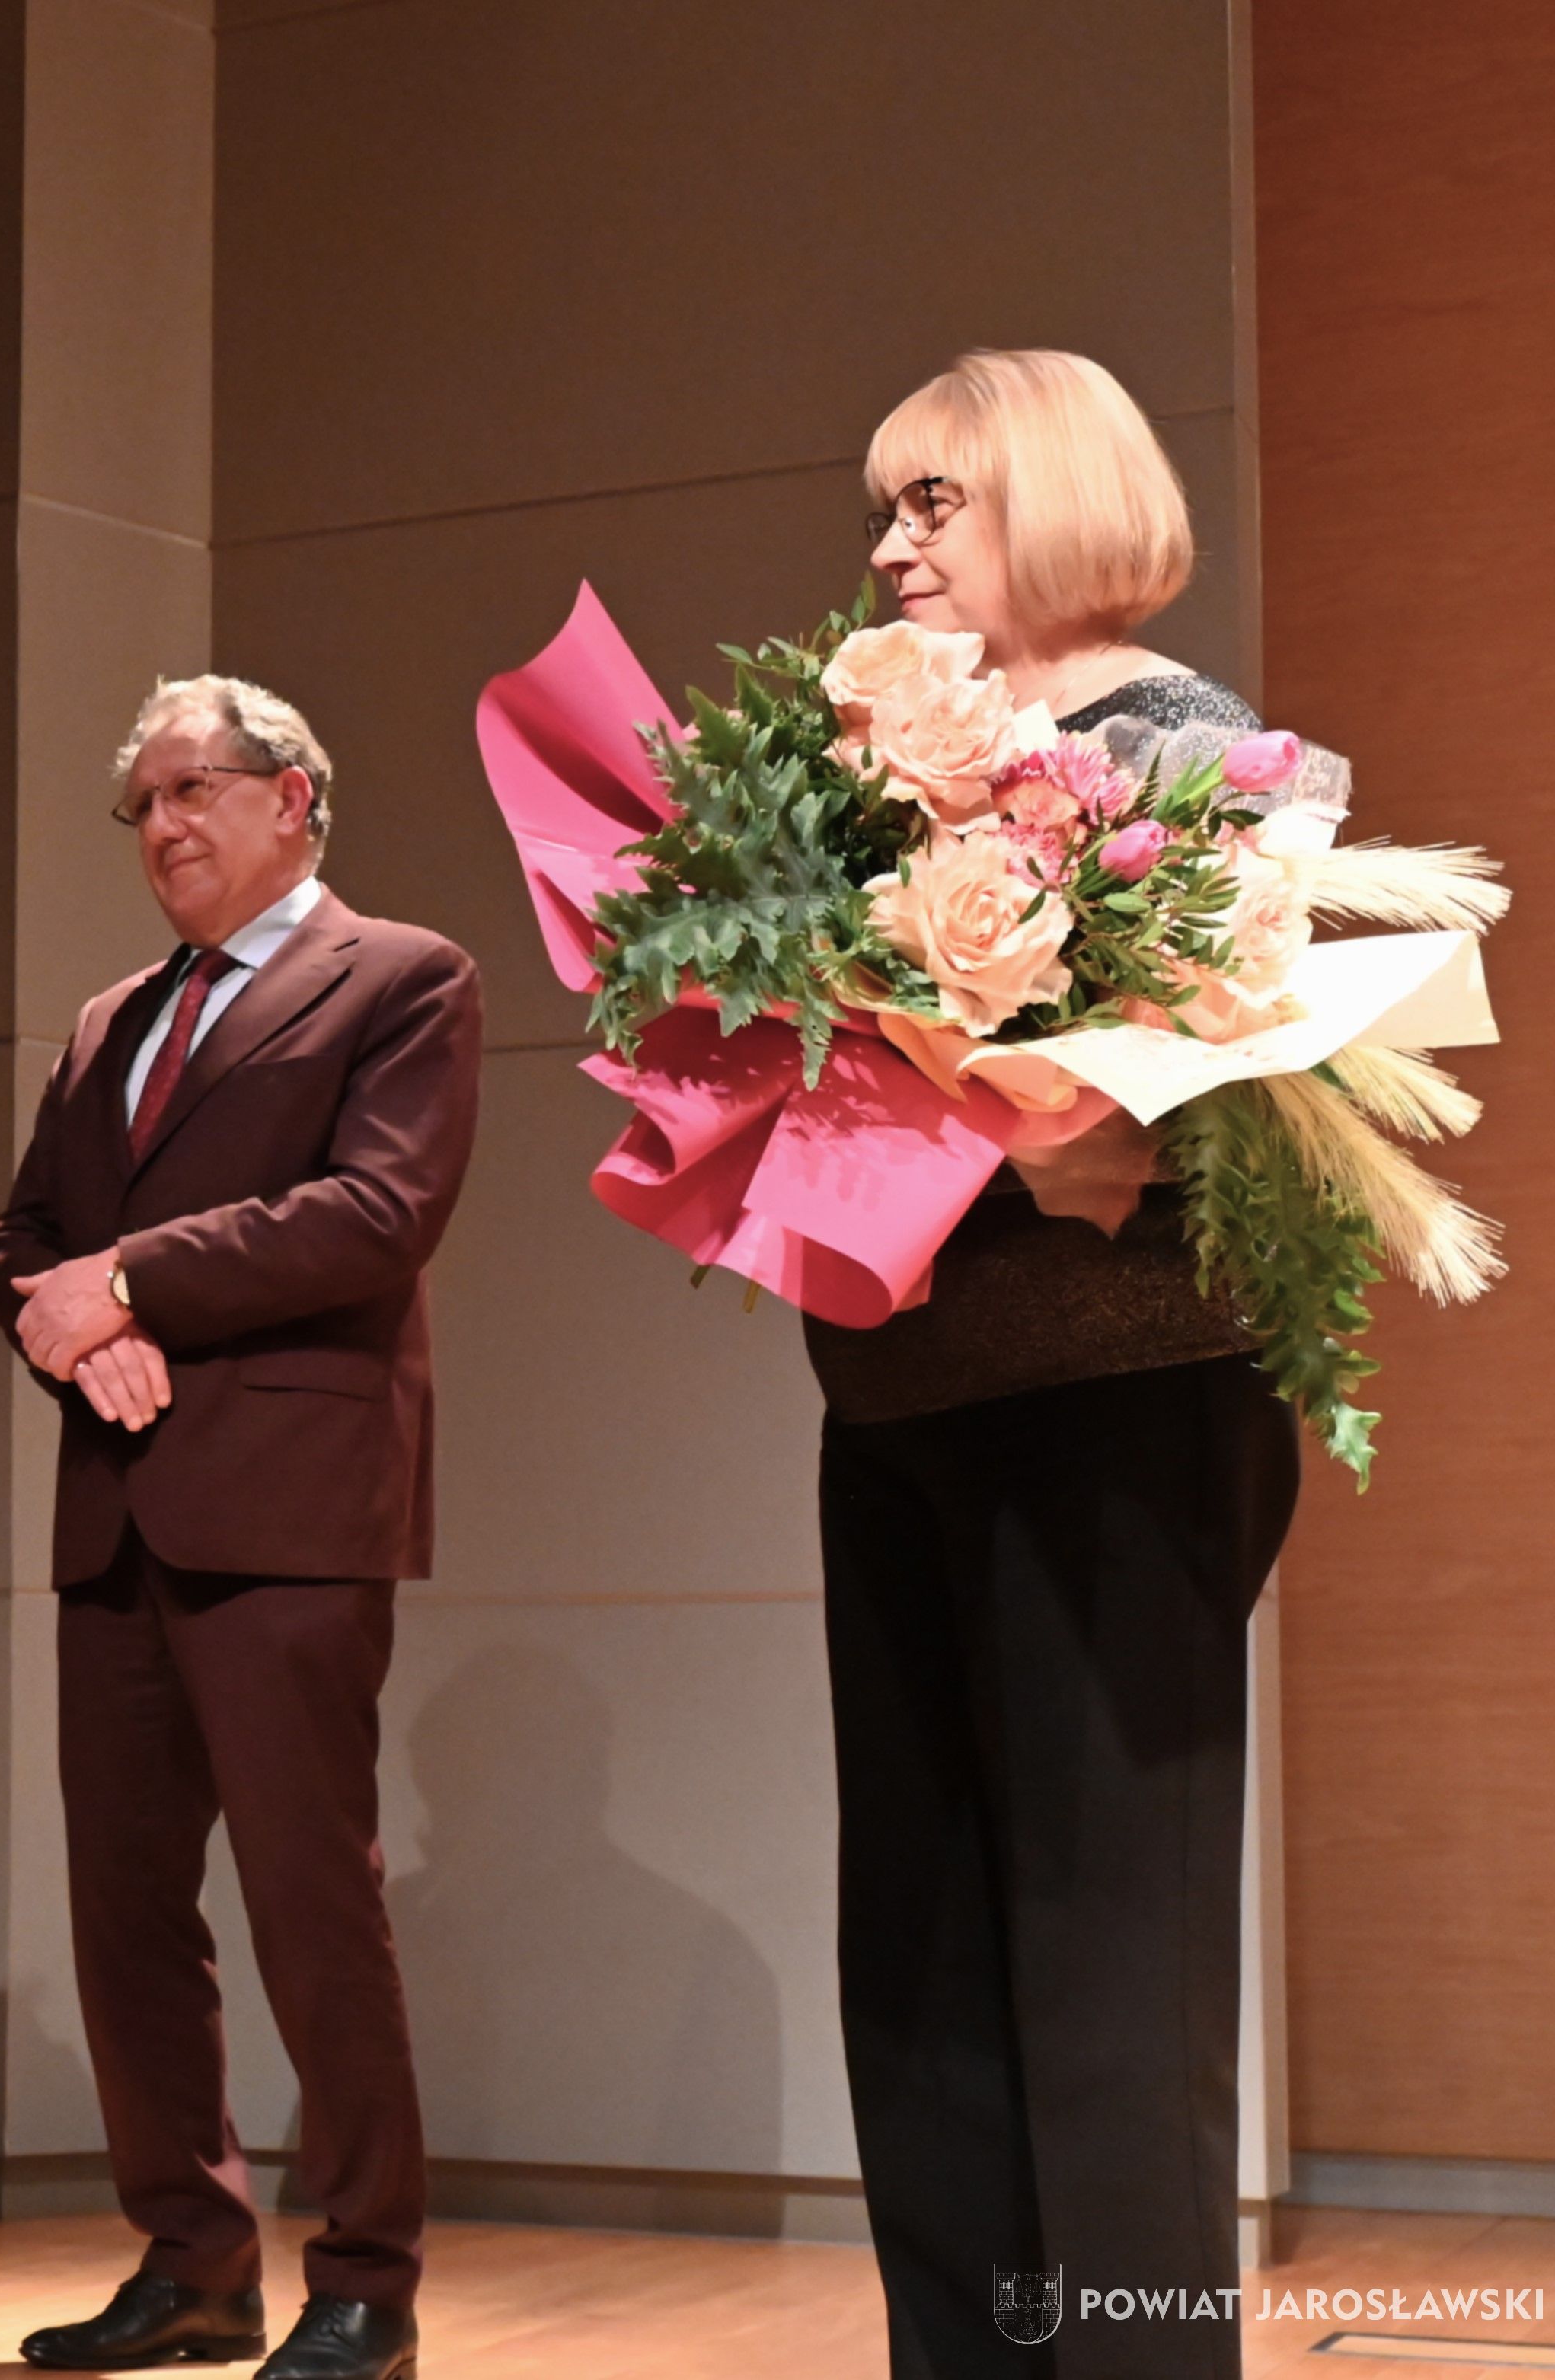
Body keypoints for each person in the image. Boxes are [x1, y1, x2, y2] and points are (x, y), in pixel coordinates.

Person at [817, 349, 1301, 2380]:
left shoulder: (1189, 748)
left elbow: (1262, 1092)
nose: (890, 545)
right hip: (899, 1404)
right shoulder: (867, 783)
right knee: (921, 1970)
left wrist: (1082, 1119)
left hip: (1119, 1407)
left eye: (932, 500)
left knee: (1113, 1978)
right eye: (882, 508)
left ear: (1060, 496)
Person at [0, 679, 477, 2380]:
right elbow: (19, 1239)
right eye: (143, 803)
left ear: (295, 798)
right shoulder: (109, 1017)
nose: (165, 824)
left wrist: (126, 1286)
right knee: (126, 1910)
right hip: (117, 1508)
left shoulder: (402, 977)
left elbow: (377, 1211)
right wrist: (72, 1325)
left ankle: (368, 2280)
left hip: (290, 1507)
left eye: (194, 788)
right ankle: (191, 2263)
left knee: (308, 1902)